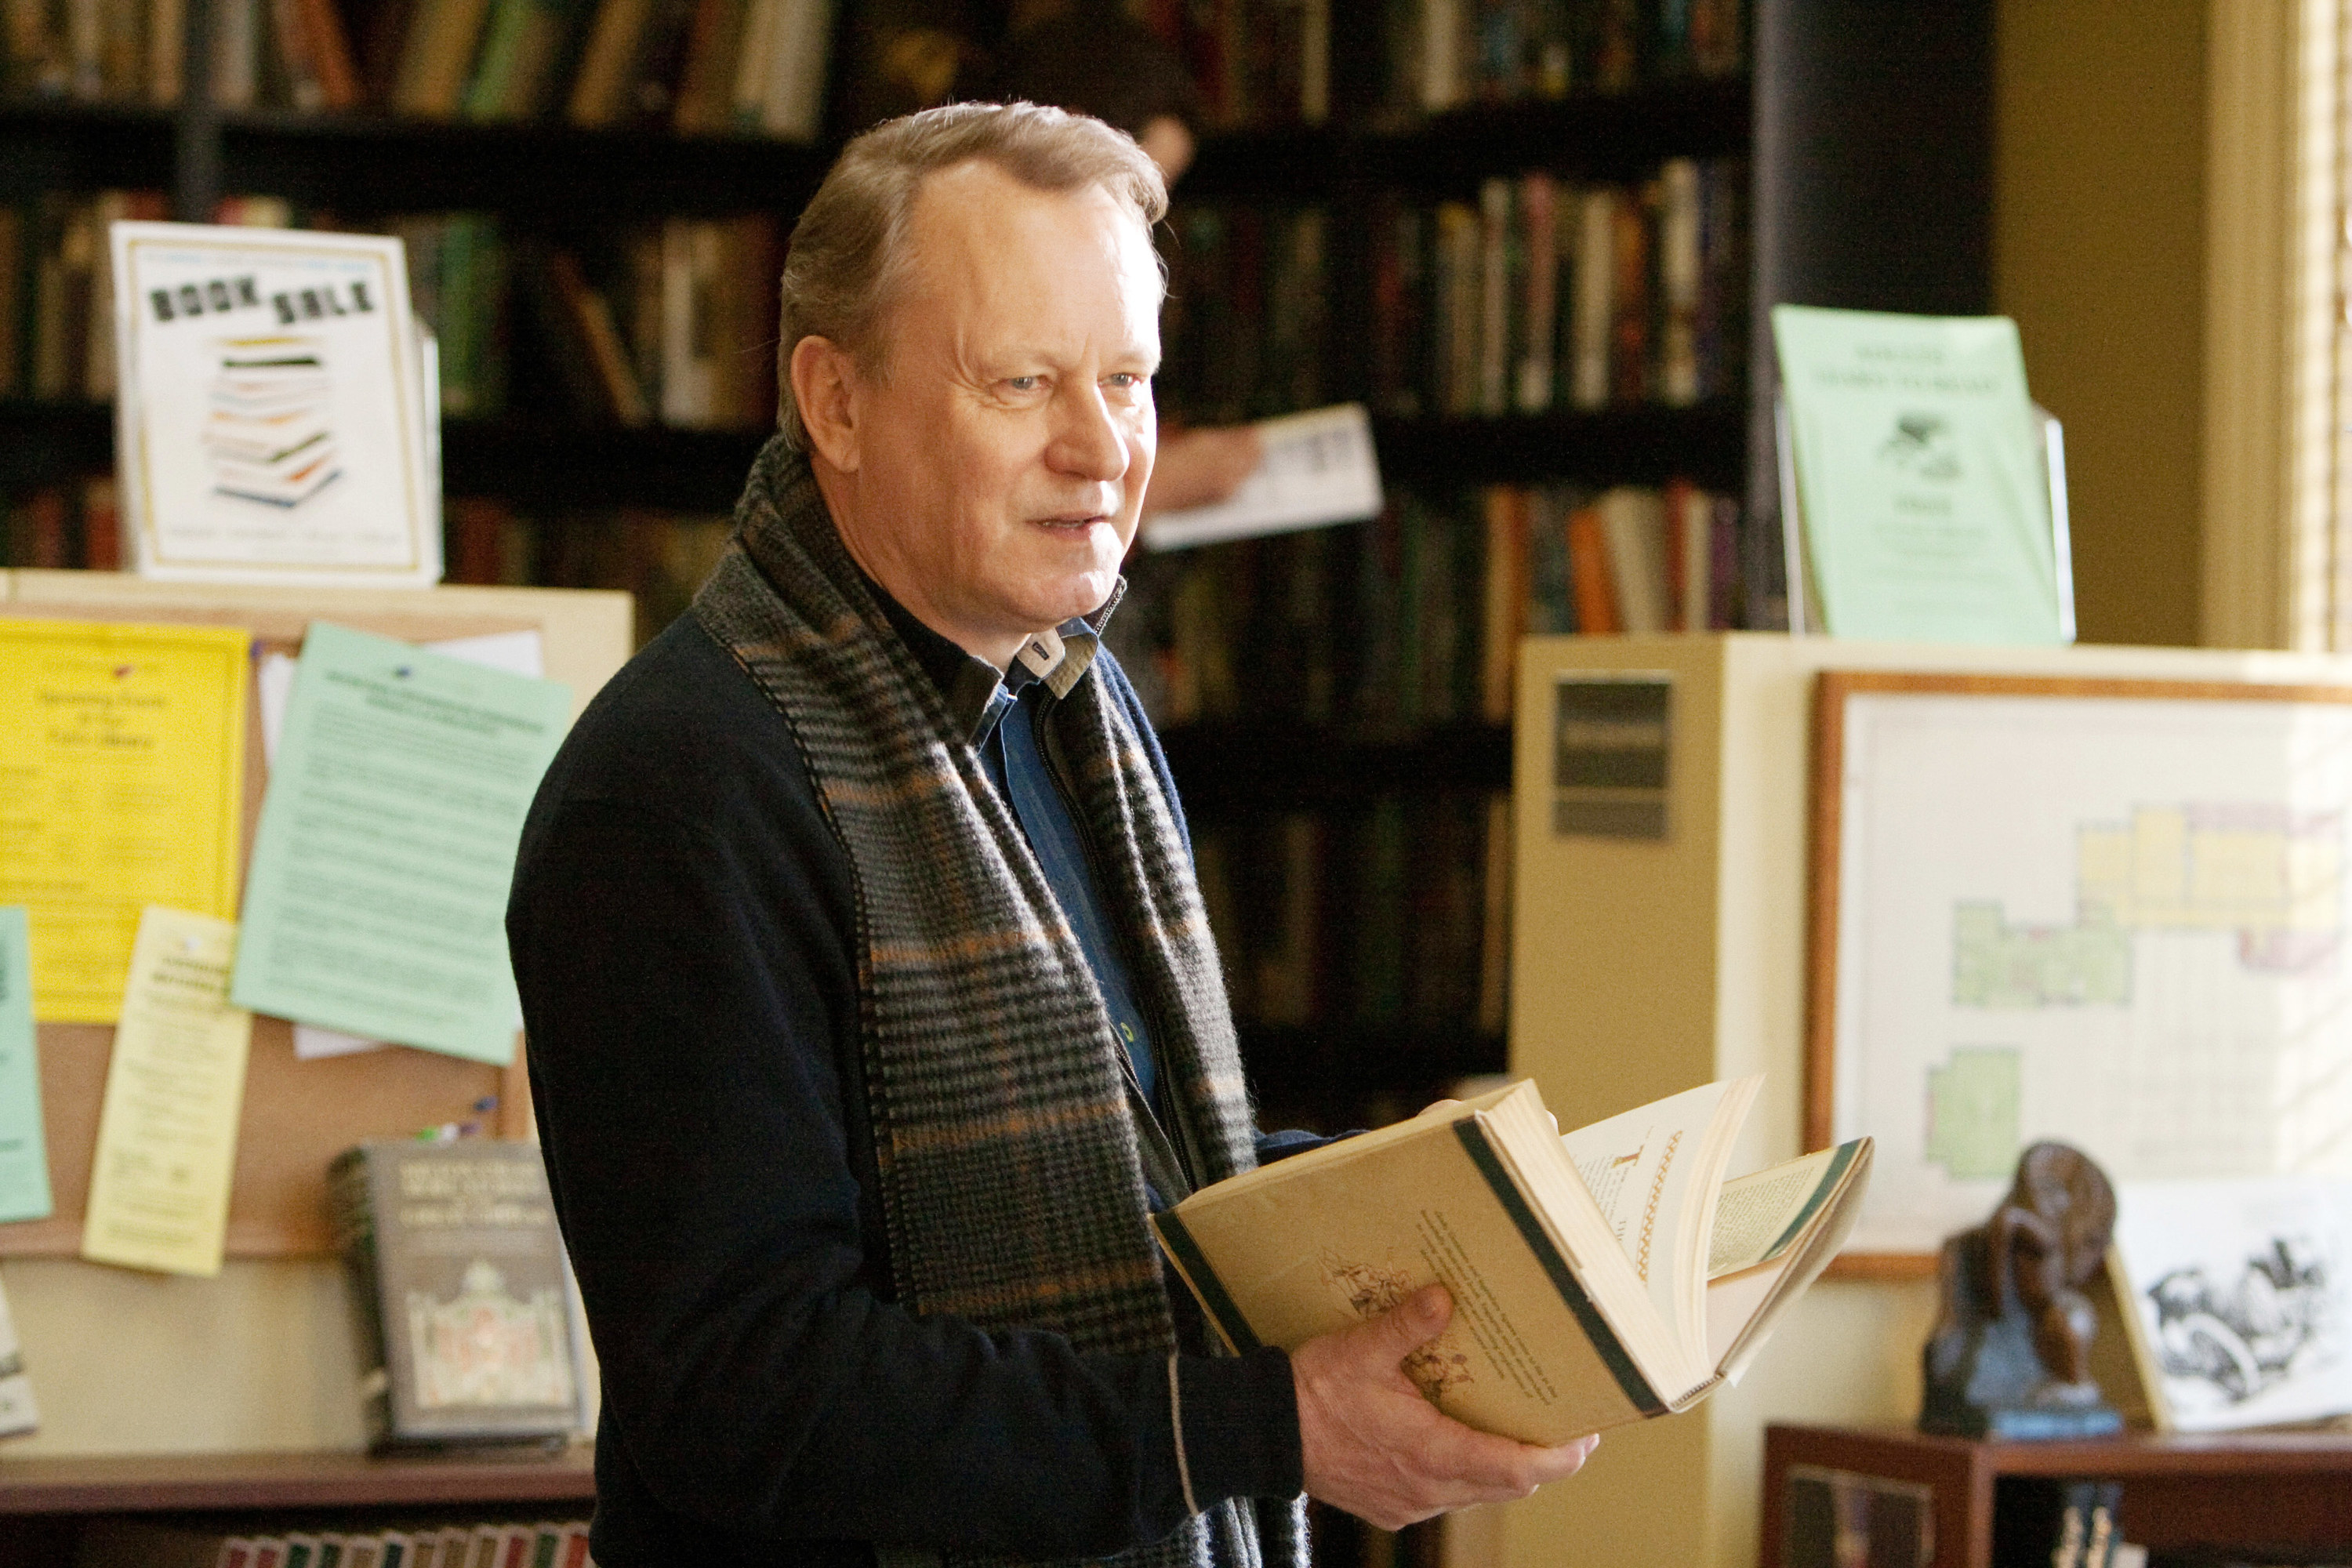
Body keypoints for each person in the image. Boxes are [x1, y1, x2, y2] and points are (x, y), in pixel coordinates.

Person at [507, 101, 1597, 1568]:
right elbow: (744, 1395)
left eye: (1131, 381)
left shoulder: (1071, 700)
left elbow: (1126, 1166)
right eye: (1023, 382)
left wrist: (1463, 1225)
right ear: (832, 402)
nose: (1102, 449)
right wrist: (1259, 1430)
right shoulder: (683, 788)